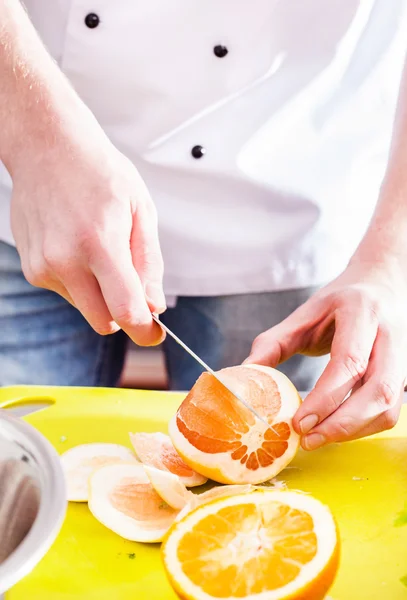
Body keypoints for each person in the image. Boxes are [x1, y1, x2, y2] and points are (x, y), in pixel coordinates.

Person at [1, 1, 407, 451]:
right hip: (27, 172)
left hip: (283, 201)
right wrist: (39, 139)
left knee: (264, 465)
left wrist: (391, 261)